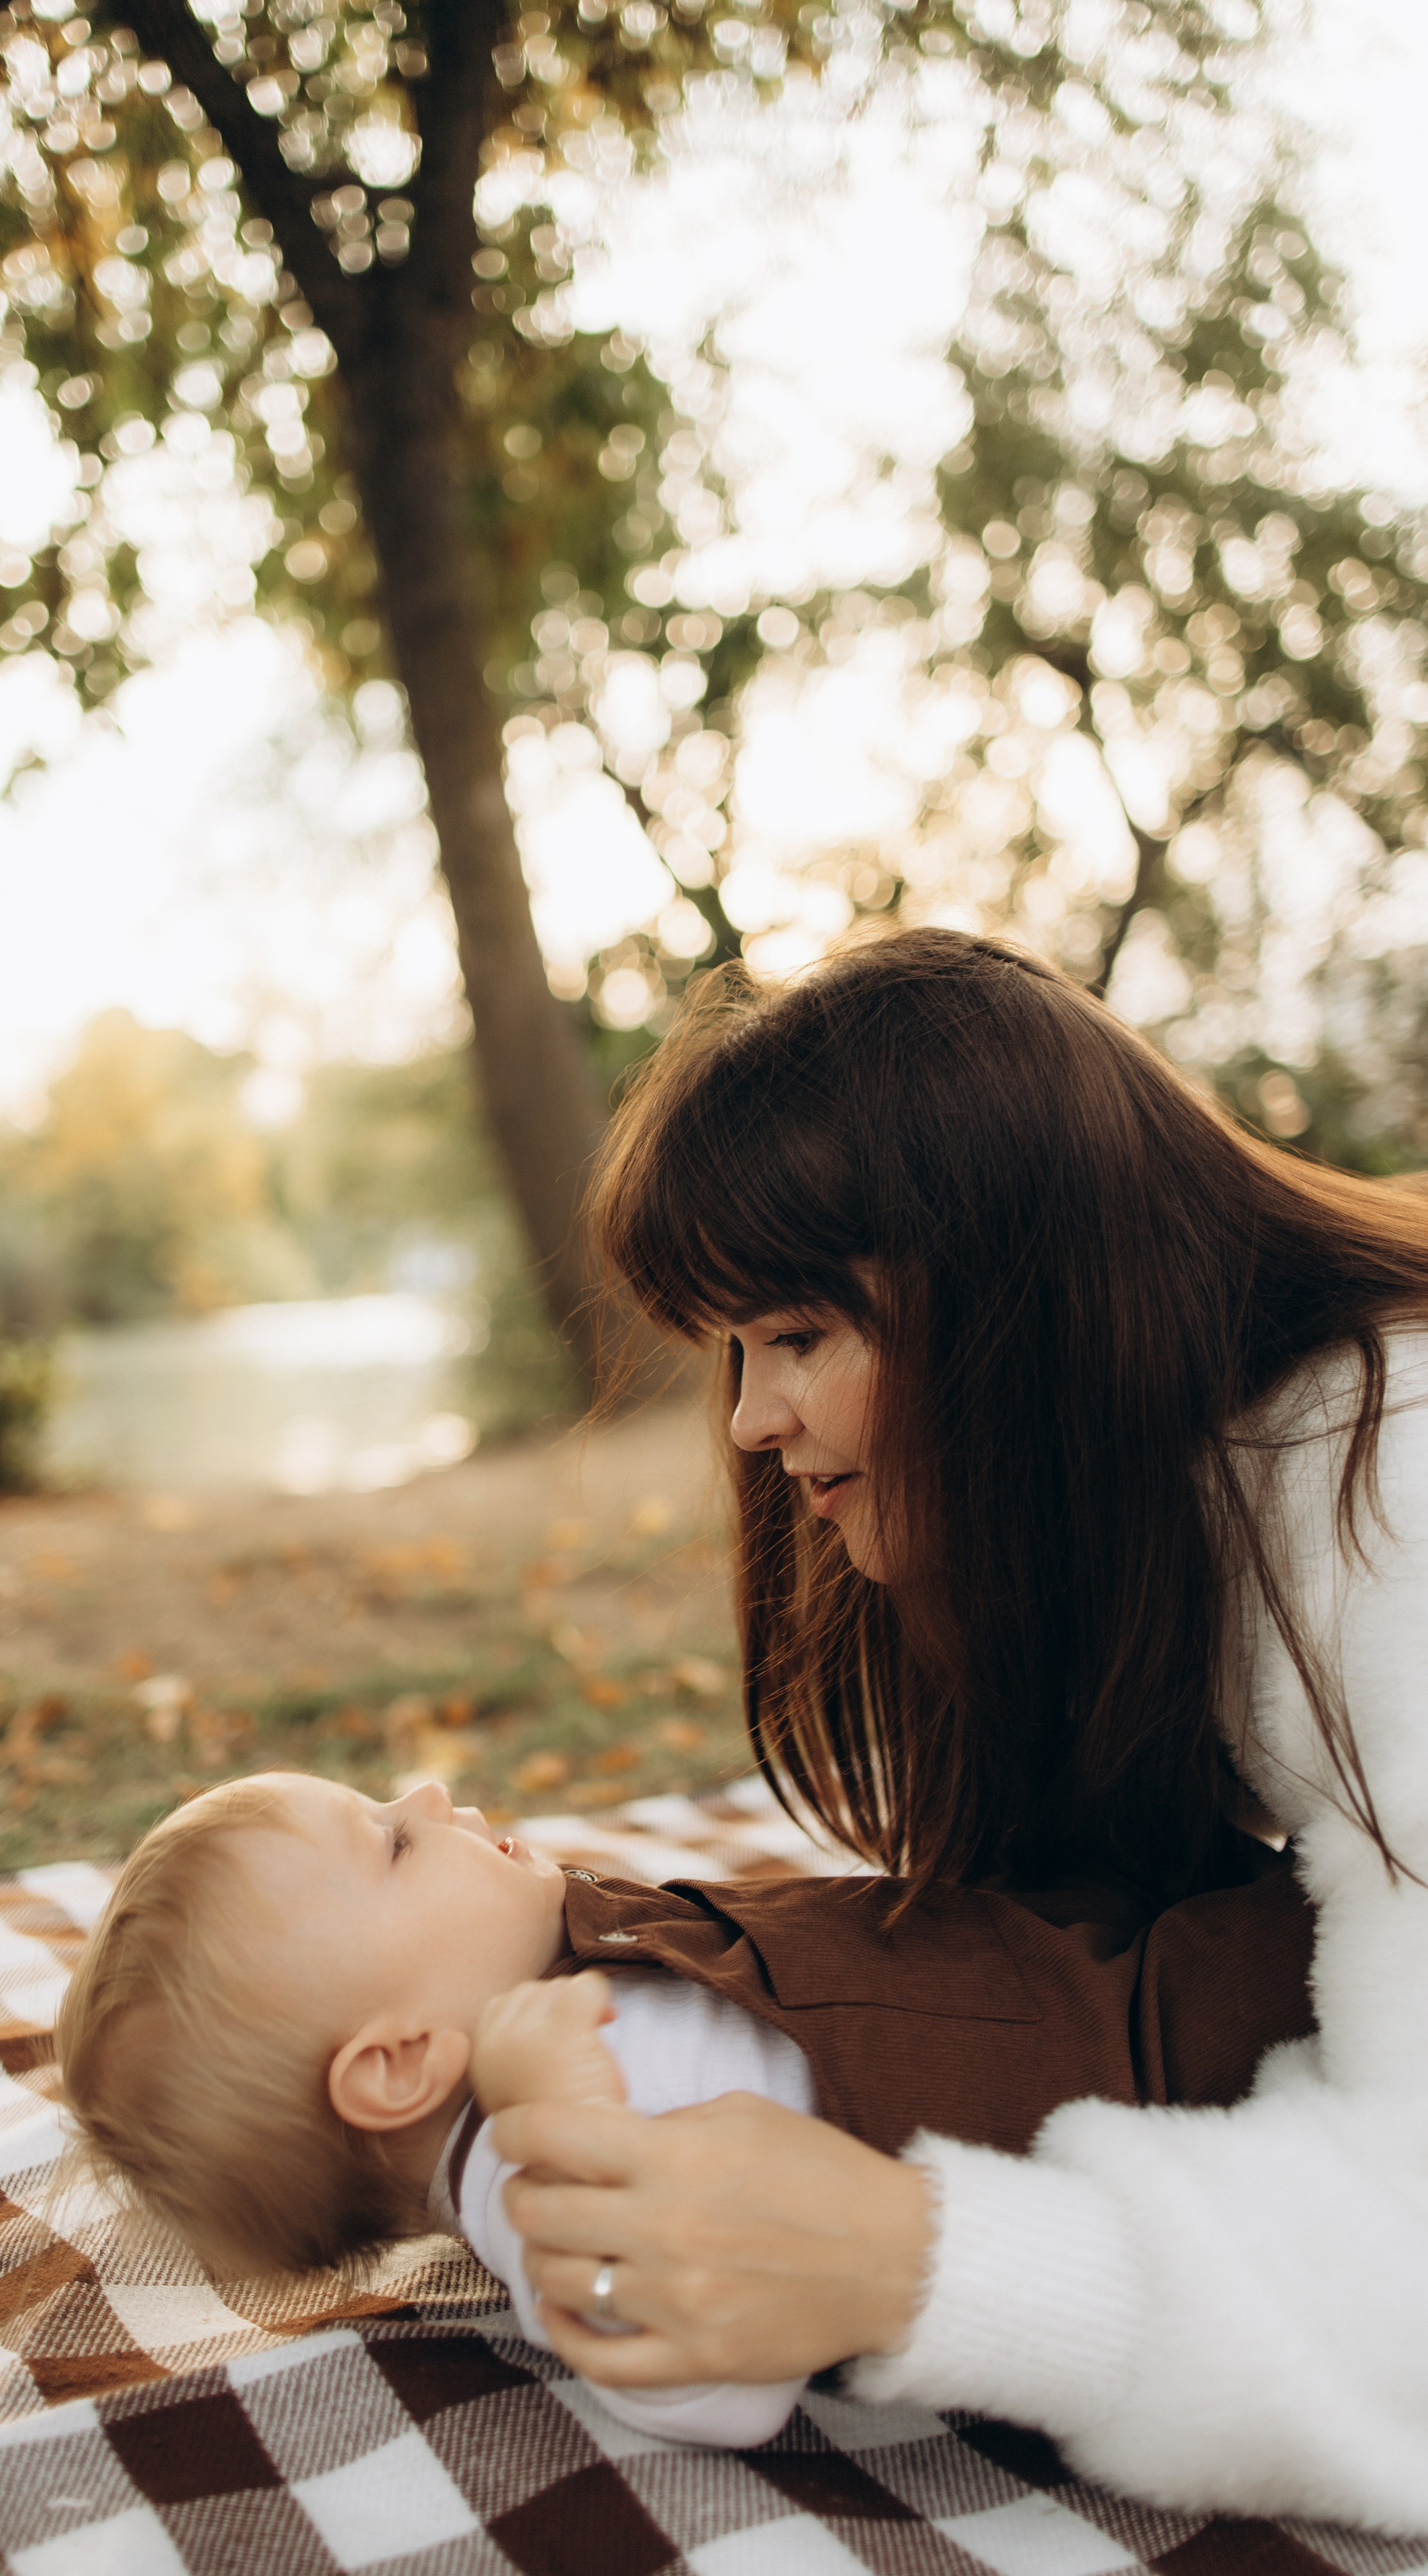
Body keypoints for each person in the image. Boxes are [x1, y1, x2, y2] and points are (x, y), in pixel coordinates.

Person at [493, 927, 1428, 2534]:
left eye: (796, 1334)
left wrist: (909, 2258)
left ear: (1014, 1294)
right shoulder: (1194, 1509)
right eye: (734, 1348)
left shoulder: (1388, 1499)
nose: (746, 1420)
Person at [53, 1758, 1310, 2447]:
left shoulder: (551, 1974)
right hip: (1160, 2060)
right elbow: (710, 2390)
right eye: (389, 1842)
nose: (430, 1794)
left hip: (1066, 1966)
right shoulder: (531, 2174)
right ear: (399, 2066)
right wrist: (570, 2119)